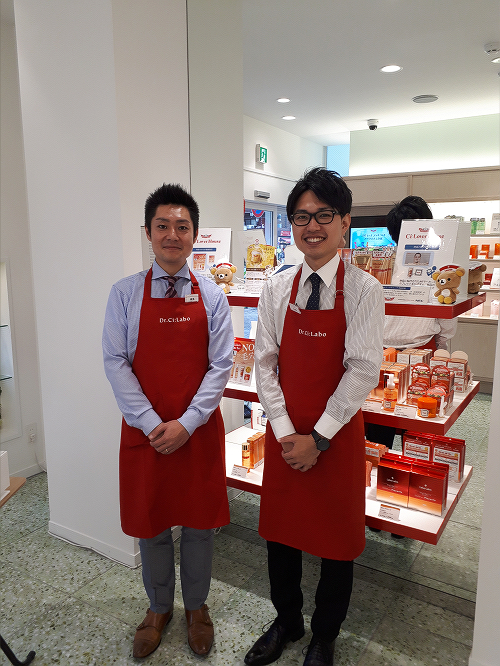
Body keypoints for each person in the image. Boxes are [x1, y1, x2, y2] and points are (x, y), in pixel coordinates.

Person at [245, 168, 384, 666]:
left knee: (336, 544)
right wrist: (287, 434)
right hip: (286, 437)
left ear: (344, 222)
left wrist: (318, 438)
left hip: (335, 437)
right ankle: (287, 620)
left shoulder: (365, 290)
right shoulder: (277, 288)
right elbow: (264, 364)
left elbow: (363, 369)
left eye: (324, 215)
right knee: (280, 537)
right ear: (292, 225)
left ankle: (325, 635)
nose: (313, 226)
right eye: (302, 217)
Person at [102, 183, 233, 659]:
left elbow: (221, 365)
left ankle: (196, 607)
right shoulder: (124, 294)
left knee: (199, 526)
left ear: (194, 234)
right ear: (148, 232)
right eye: (163, 226)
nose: (172, 235)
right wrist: (151, 422)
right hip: (147, 434)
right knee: (152, 524)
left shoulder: (213, 296)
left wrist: (187, 423)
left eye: (182, 226)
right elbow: (115, 361)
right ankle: (158, 607)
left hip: (196, 433)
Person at [367, 195, 458, 448]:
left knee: (380, 422)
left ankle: (378, 468)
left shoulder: (379, 264)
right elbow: (447, 323)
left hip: (381, 355)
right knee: (420, 427)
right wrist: (441, 350)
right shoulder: (440, 267)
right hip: (422, 353)